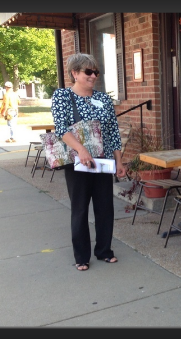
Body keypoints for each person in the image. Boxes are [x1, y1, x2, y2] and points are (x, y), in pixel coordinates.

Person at [51, 53, 127, 271]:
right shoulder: (62, 96)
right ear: (74, 73)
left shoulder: (103, 99)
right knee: (80, 209)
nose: (93, 76)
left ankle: (104, 250)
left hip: (102, 162)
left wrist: (119, 162)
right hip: (77, 162)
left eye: (96, 72)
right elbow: (61, 128)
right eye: (88, 71)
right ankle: (81, 256)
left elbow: (112, 132)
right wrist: (81, 149)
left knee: (105, 208)